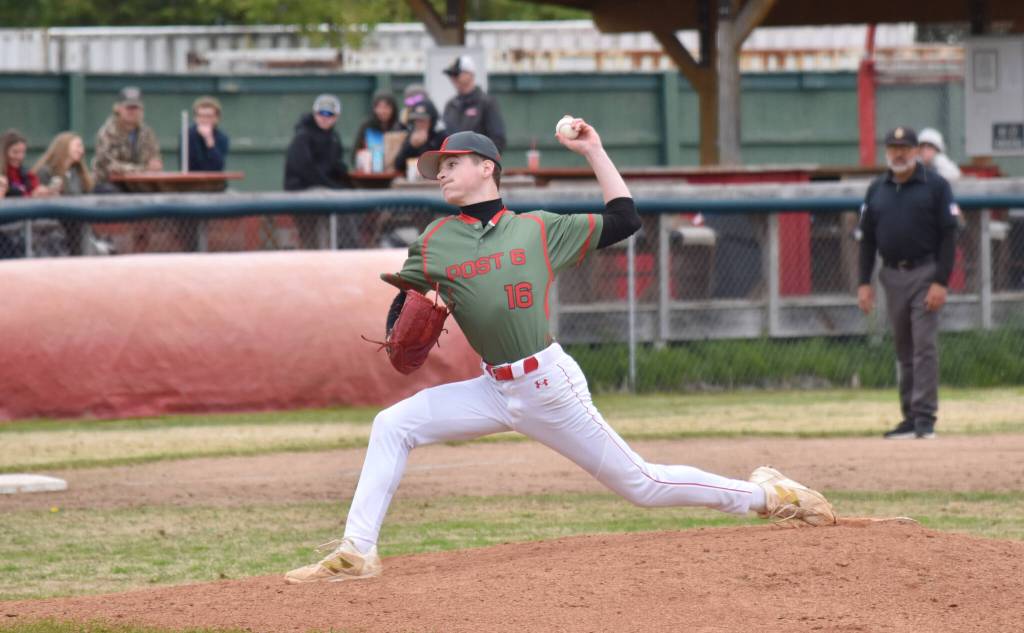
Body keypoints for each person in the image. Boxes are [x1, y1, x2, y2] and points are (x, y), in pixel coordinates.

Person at [283, 124, 837, 584]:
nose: (443, 173)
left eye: (453, 162)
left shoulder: (538, 230)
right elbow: (404, 298)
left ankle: (766, 495)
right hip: (493, 389)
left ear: (487, 167)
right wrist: (400, 328)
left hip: (548, 386)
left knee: (642, 485)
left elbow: (625, 219)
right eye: (439, 167)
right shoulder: (435, 239)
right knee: (392, 424)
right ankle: (358, 551)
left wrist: (593, 150)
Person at [857, 127, 958, 440]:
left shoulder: (936, 186)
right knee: (904, 347)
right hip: (891, 275)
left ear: (917, 151)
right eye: (893, 147)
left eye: (905, 147)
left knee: (923, 346)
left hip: (925, 272)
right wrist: (864, 282)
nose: (899, 153)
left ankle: (925, 417)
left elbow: (949, 235)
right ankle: (910, 417)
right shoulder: (876, 189)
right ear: (886, 151)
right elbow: (866, 240)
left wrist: (941, 281)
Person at [284, 94, 354, 249]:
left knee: (348, 198)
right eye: (321, 113)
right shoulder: (302, 136)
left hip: (322, 188)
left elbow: (334, 166)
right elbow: (306, 170)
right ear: (314, 113)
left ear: (336, 117)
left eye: (329, 114)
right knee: (312, 238)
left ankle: (347, 249)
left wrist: (342, 176)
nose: (324, 118)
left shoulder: (334, 137)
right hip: (301, 190)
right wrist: (332, 186)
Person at [32, 132, 94, 255]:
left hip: (75, 217)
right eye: (78, 146)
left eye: (82, 147)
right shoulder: (45, 171)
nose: (81, 150)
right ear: (65, 146)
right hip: (51, 218)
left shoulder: (77, 173)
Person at [92, 86, 163, 192]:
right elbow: (111, 168)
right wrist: (144, 169)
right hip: (110, 184)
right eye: (128, 107)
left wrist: (155, 164)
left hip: (138, 185)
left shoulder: (147, 133)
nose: (132, 111)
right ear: (118, 108)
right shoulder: (107, 133)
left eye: (136, 107)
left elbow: (154, 158)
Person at [441, 55, 507, 152]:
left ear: (470, 74)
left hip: (477, 162)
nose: (453, 78)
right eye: (451, 75)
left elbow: (498, 140)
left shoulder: (486, 102)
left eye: (456, 74)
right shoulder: (450, 105)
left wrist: (479, 160)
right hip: (454, 161)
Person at [351, 90, 402, 168]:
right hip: (370, 174)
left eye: (386, 107)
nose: (382, 111)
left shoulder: (399, 128)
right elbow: (354, 155)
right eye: (379, 107)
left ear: (393, 109)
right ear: (374, 109)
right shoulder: (366, 126)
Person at [392, 99, 444, 174]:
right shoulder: (411, 136)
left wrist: (426, 145)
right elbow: (398, 165)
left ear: (432, 120)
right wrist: (410, 146)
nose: (419, 123)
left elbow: (436, 165)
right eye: (416, 120)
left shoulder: (441, 136)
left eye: (423, 119)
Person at [3, 129, 53, 198]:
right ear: (3, 152)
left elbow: (36, 190)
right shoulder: (3, 175)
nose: (19, 157)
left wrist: (42, 192)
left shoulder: (28, 175)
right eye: (15, 152)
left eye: (22, 152)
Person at [188, 96, 230, 173]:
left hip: (216, 183)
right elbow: (193, 166)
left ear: (217, 118)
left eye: (209, 116)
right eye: (201, 116)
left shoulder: (222, 137)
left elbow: (218, 166)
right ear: (195, 118)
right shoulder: (188, 135)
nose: (204, 120)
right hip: (192, 183)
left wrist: (209, 141)